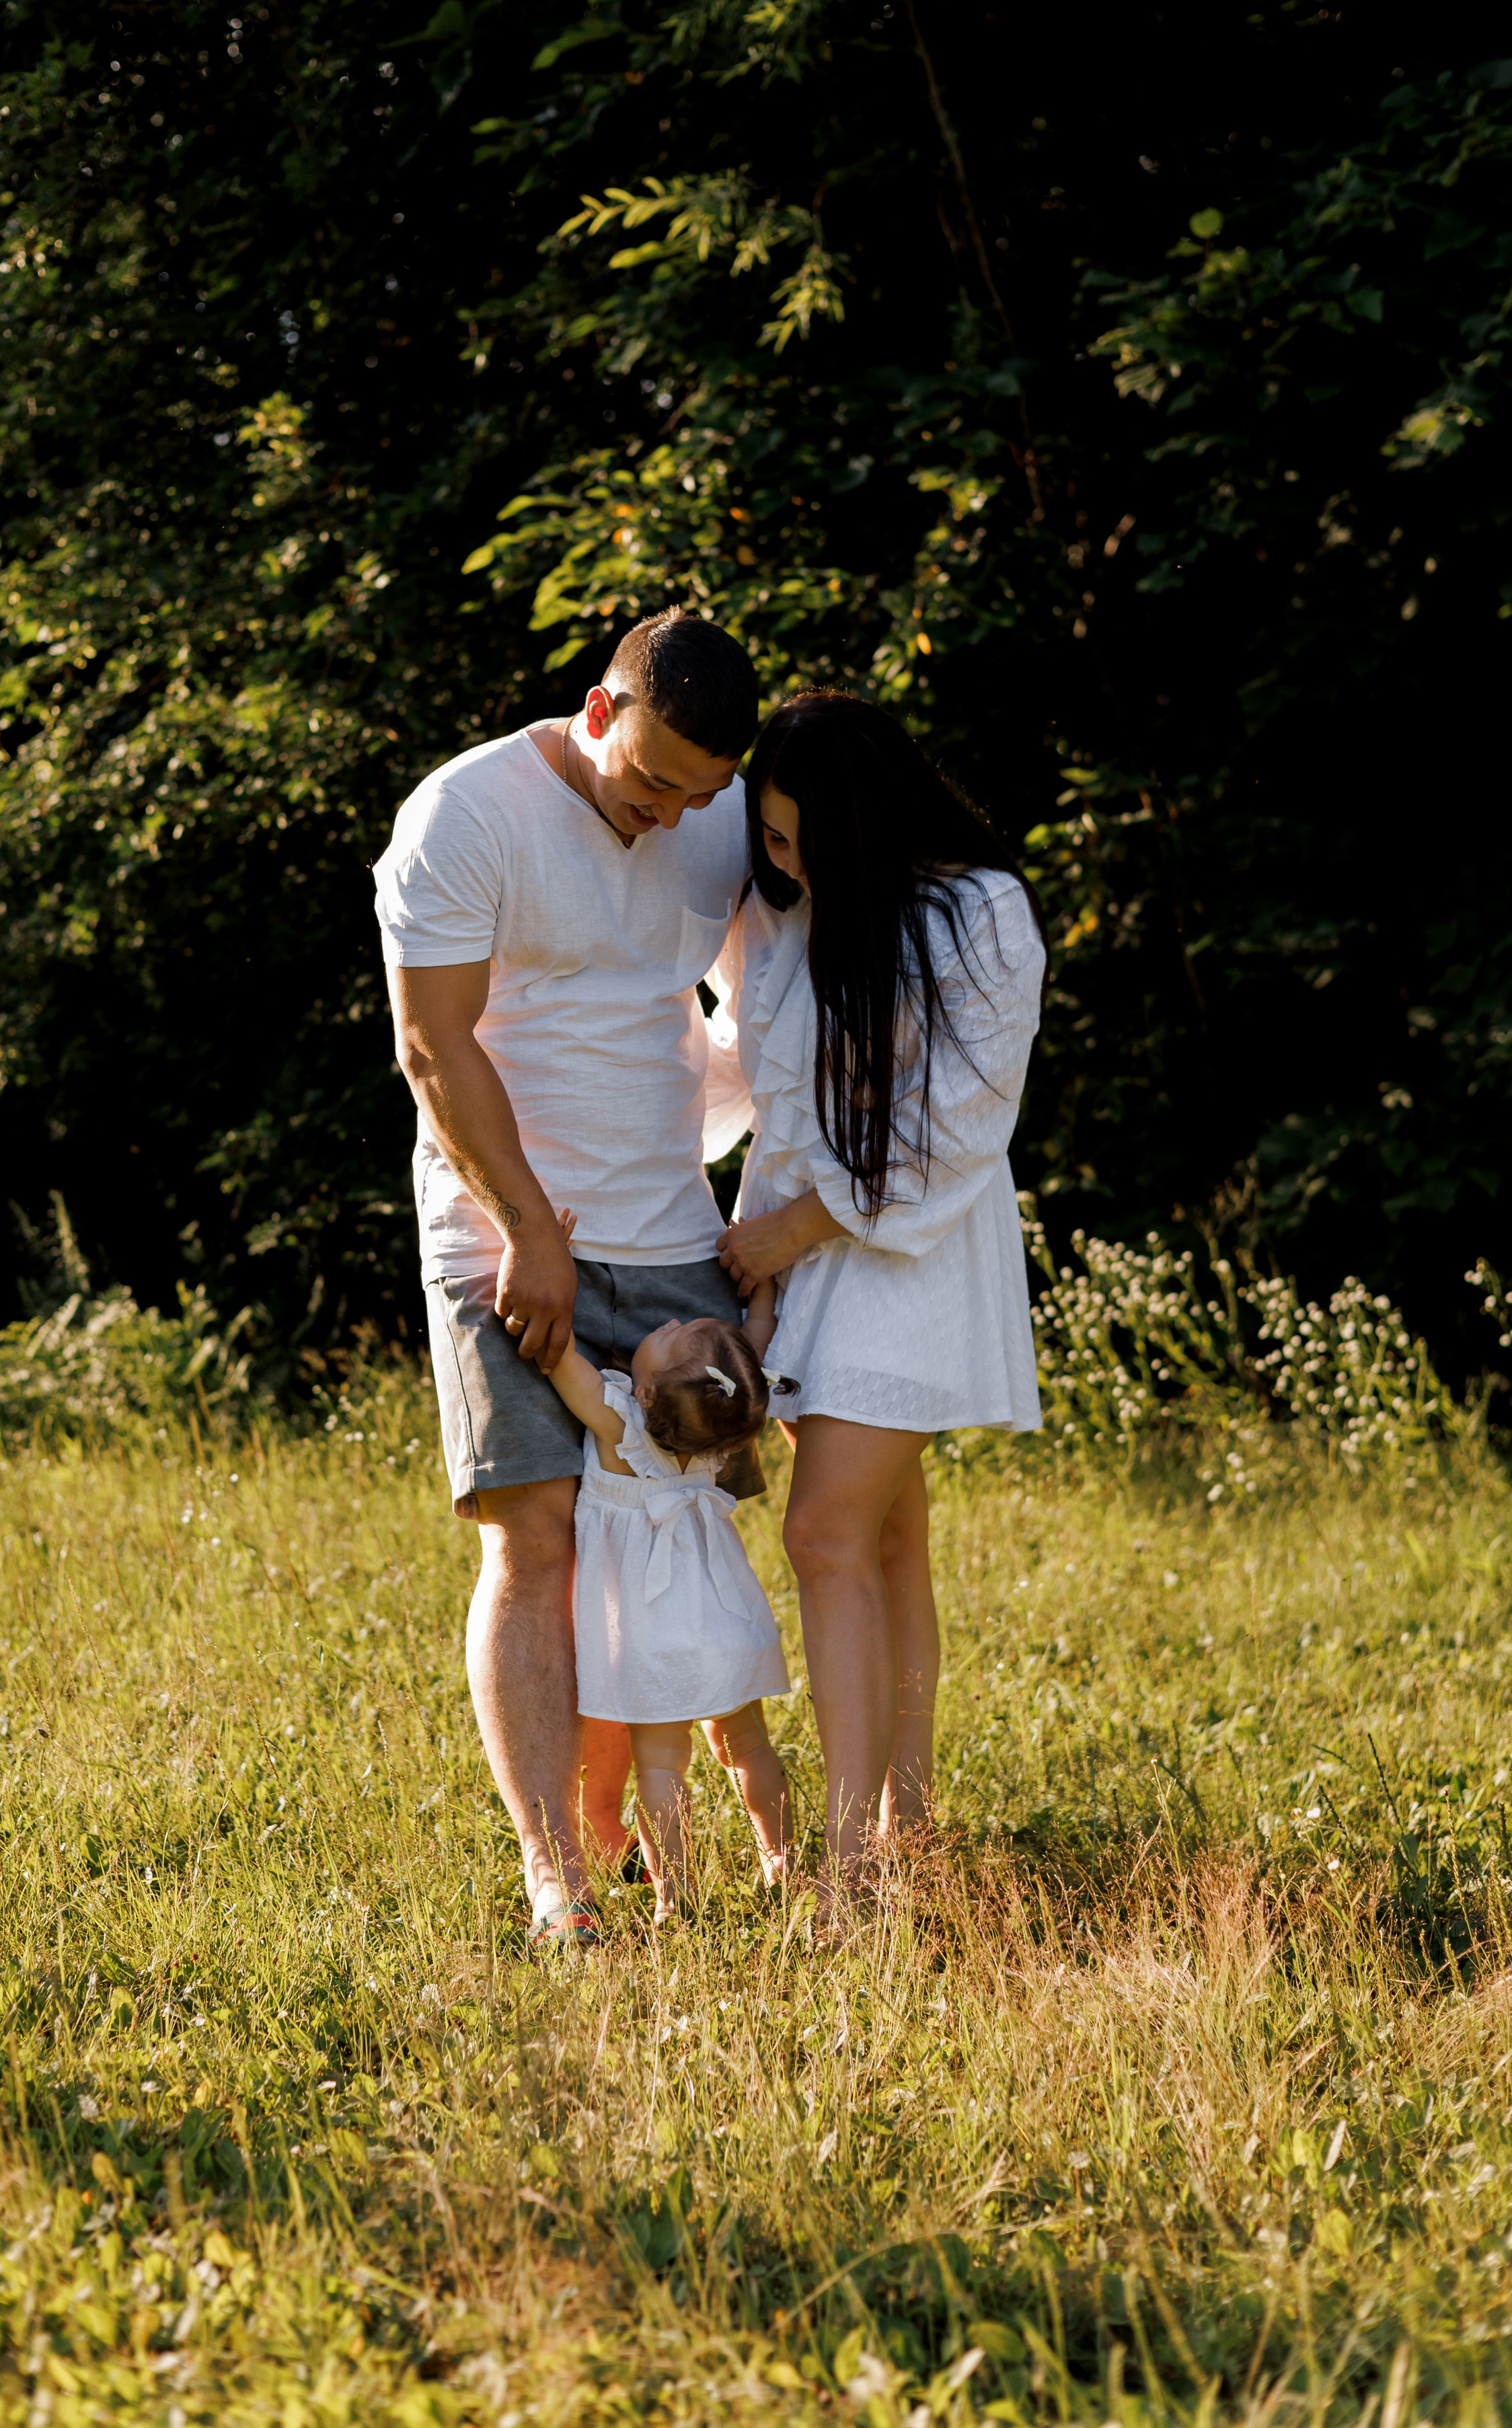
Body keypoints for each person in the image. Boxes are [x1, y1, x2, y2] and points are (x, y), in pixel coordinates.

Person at [374, 605, 763, 1950]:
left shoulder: (719, 817)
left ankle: (707, 1842)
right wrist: (529, 1231)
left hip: (668, 1236)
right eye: (651, 780)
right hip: (498, 1242)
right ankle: (559, 1886)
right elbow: (433, 1048)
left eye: (696, 794)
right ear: (598, 710)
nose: (670, 818)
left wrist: (765, 1206)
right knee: (532, 1539)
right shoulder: (464, 816)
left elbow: (769, 1003)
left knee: (677, 1543)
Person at [708, 691, 1046, 1913]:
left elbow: (957, 1133)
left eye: (803, 843)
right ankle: (913, 1824)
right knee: (888, 1538)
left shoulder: (978, 914)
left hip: (915, 1255)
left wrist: (790, 1234)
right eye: (772, 841)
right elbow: (778, 1103)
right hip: (807, 1259)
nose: (782, 865)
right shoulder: (786, 911)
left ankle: (850, 1870)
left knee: (824, 1536)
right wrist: (762, 1271)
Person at [543, 1243, 795, 1928]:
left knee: (661, 1768)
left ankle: (672, 1895)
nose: (667, 1325)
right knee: (747, 1746)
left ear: (648, 1392)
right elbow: (757, 1349)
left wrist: (549, 1259)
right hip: (722, 1621)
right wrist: (764, 1293)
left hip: (651, 1634)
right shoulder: (722, 1432)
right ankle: (782, 1861)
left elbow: (554, 1352)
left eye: (673, 1337)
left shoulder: (617, 1423)